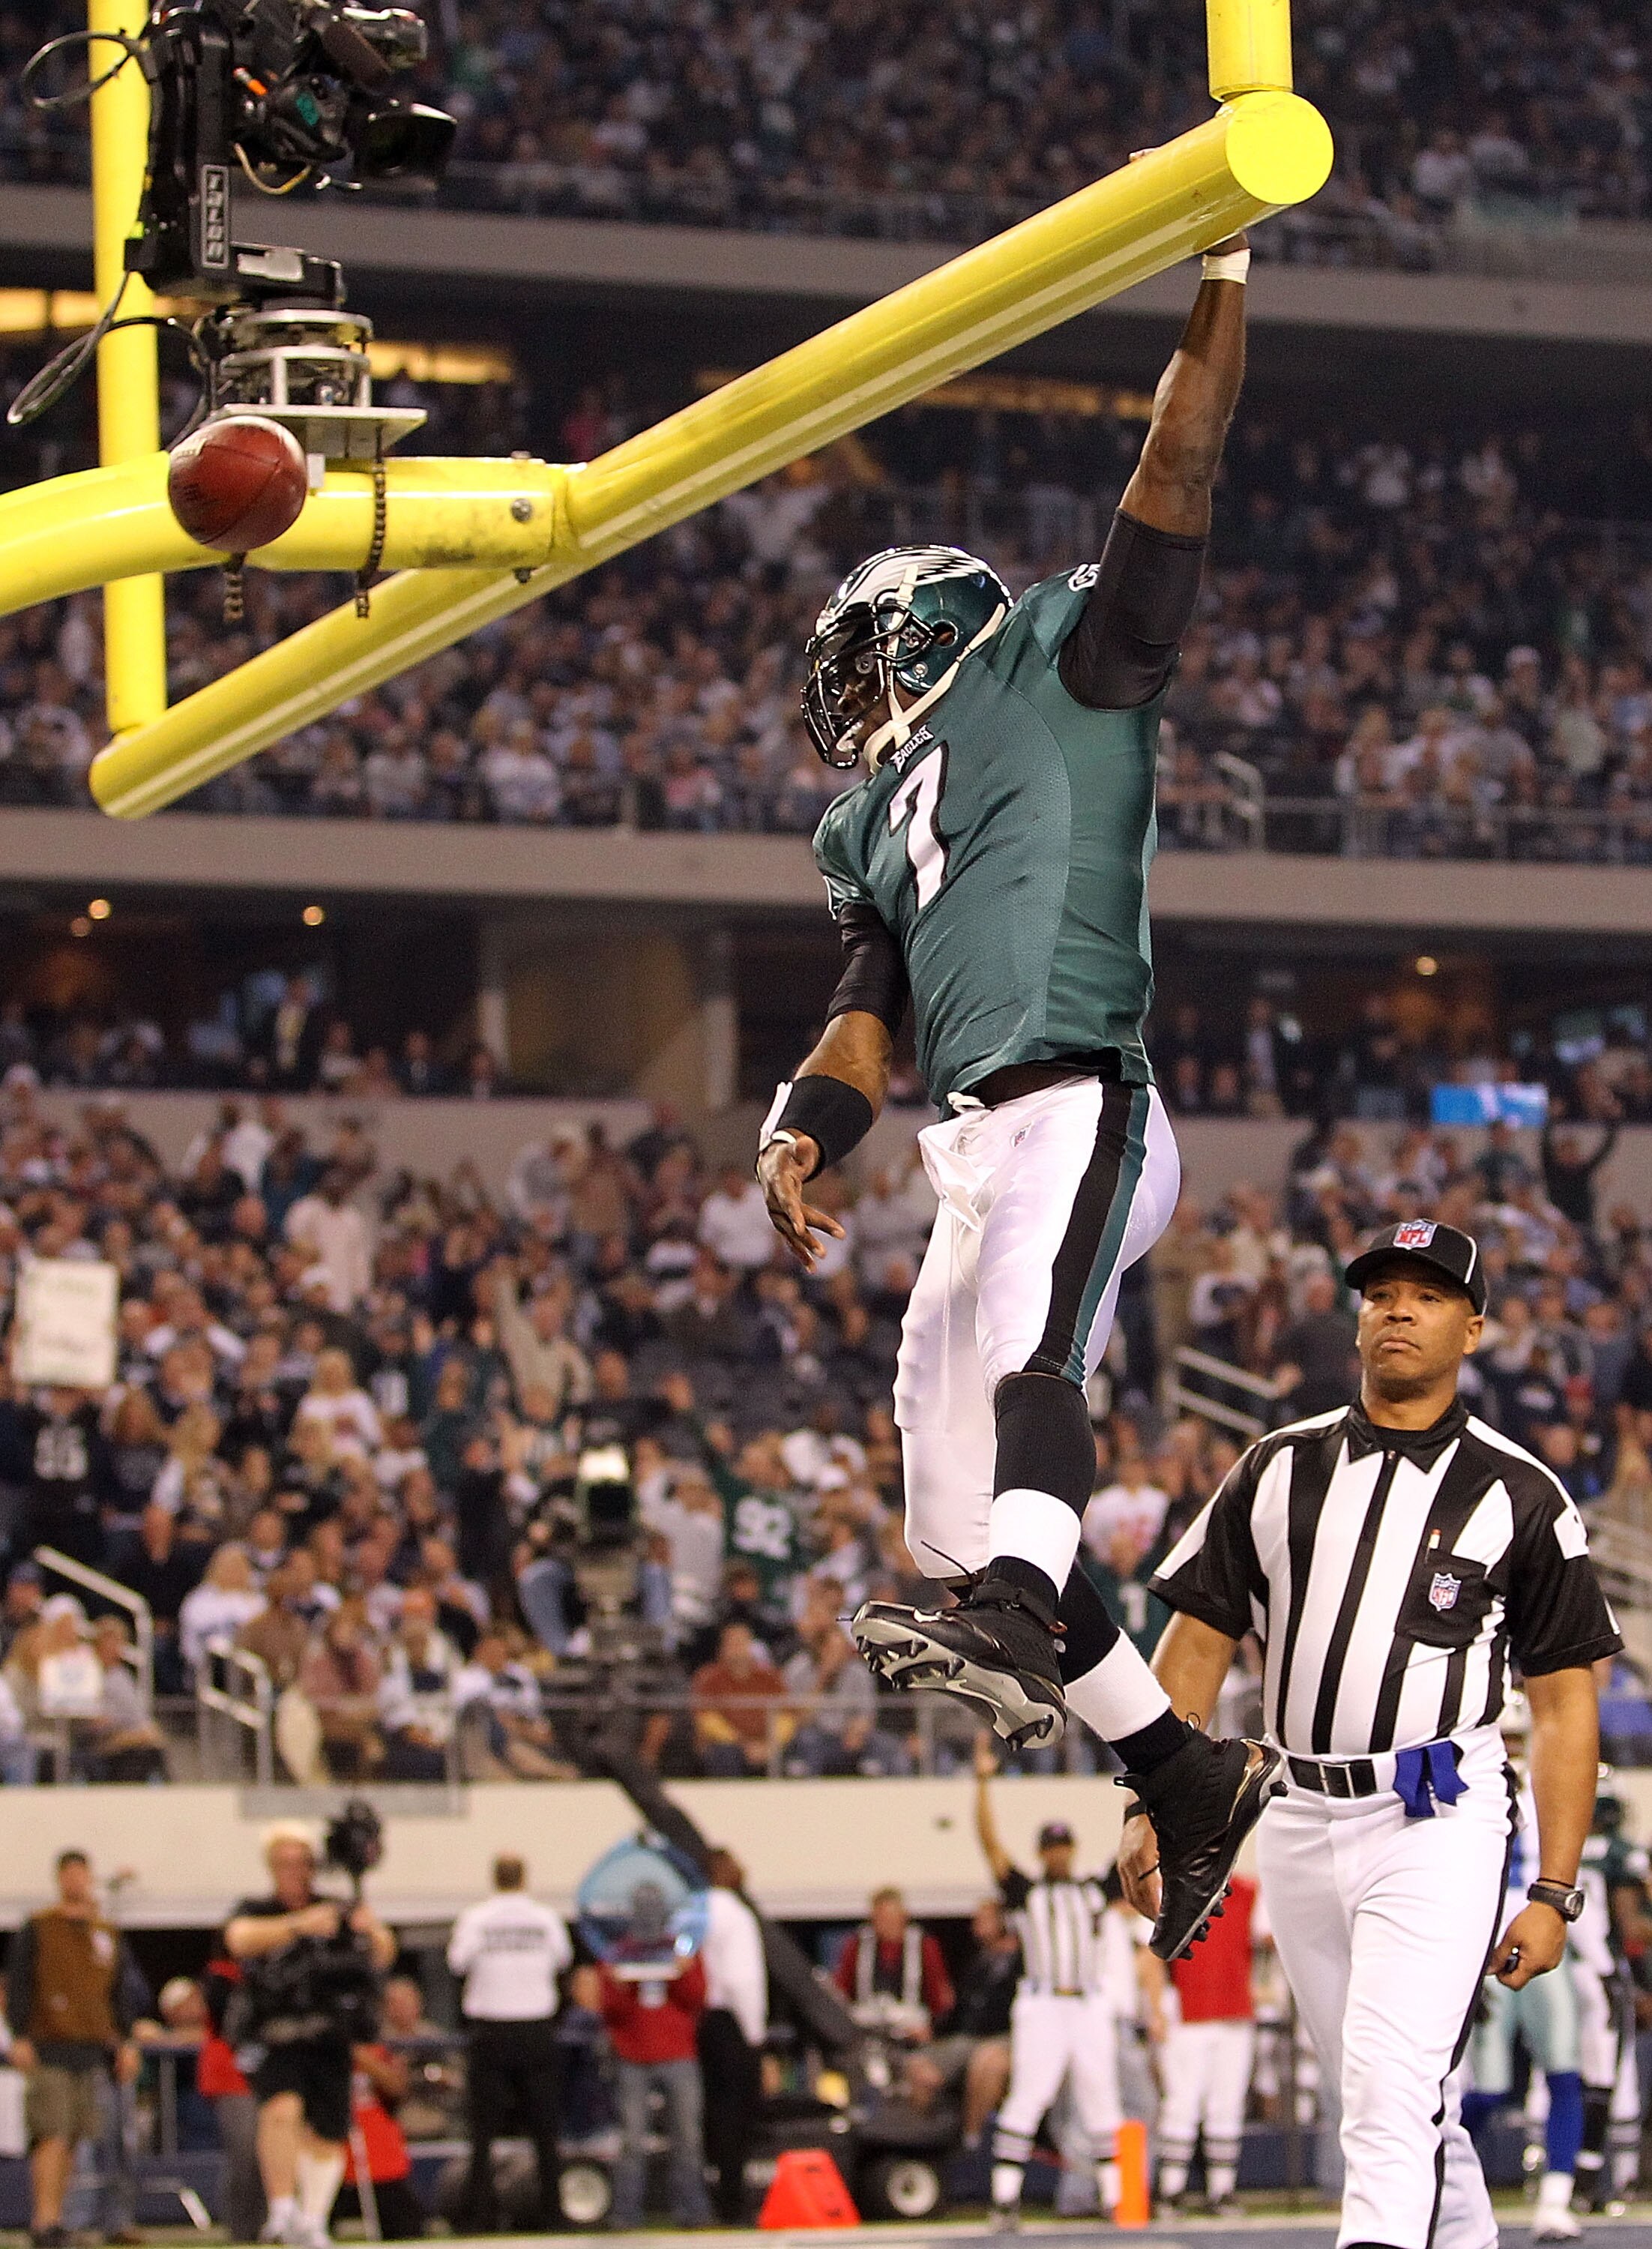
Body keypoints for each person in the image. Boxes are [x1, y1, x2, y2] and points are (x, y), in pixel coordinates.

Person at [757, 229, 1278, 1961]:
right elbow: (862, 1017)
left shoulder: (1054, 666)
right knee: (954, 1501)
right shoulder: (863, 828)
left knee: (1023, 1392)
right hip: (970, 1141)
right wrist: (797, 1131)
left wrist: (1220, 272)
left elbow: (1172, 463)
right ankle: (1181, 1766)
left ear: (919, 629)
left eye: (855, 659)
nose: (839, 704)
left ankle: (1012, 1611)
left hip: (1082, 1092)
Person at [1125, 1218, 1624, 2249]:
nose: (1398, 1309)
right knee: (1394, 2100)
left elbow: (1569, 1701)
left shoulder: (1521, 1492)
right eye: (1381, 1292)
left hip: (1436, 1815)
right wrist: (1148, 1801)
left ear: (1474, 1328)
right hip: (1301, 1812)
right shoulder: (1274, 1465)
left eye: (1429, 1294)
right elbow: (1200, 1638)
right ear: (1355, 1317)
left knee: (1388, 2087)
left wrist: (1555, 1888)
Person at [972, 1742, 1133, 2224]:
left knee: (1101, 2096)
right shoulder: (1028, 1893)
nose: (1059, 1854)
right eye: (1052, 1848)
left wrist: (1143, 1786)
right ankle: (1004, 2201)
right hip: (1043, 2004)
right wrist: (982, 1782)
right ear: (1043, 1853)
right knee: (1029, 2095)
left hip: (1087, 2003)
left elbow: (1131, 1847)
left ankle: (1113, 2199)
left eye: (1064, 1847)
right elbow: (991, 1846)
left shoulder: (1093, 1889)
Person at [223, 1824, 397, 2249]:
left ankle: (312, 2217)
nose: (294, 1871)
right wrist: (300, 1925)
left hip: (329, 2030)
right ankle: (281, 2210)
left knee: (328, 2127)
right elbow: (239, 1939)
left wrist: (367, 1927)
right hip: (277, 2029)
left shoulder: (334, 1907)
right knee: (282, 2110)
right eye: (284, 1863)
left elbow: (381, 1952)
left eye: (301, 1863)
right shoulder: (258, 1908)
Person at [4, 1850, 147, 2249]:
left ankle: (62, 2221)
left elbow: (119, 1995)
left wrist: (126, 2041)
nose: (75, 1881)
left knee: (77, 2137)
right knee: (52, 2131)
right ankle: (46, 2221)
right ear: (59, 1878)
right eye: (68, 1873)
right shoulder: (40, 1927)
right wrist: (19, 2035)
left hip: (94, 2047)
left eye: (81, 1873)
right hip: (50, 2044)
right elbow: (20, 1984)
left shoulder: (104, 1932)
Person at [445, 1854, 572, 2235]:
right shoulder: (545, 1918)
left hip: (492, 2029)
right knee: (545, 2127)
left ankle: (479, 2216)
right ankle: (553, 2213)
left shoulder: (476, 1919)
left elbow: (457, 1962)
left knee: (483, 2130)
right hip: (535, 2028)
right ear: (524, 1878)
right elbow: (562, 1960)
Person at [597, 1885, 713, 2231]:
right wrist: (618, 1986)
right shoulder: (618, 1954)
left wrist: (685, 1969)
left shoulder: (682, 1950)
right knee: (632, 2139)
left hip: (678, 2054)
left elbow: (696, 1999)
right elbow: (611, 2010)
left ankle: (693, 2210)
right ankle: (626, 2213)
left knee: (688, 2137)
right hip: (633, 2056)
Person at [1154, 1873, 1259, 2215]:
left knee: (1226, 2105)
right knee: (1182, 2102)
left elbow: (1273, 1938)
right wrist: (1156, 2008)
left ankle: (1221, 2189)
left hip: (1233, 2012)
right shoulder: (1176, 1885)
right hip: (1190, 2012)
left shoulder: (1247, 1892)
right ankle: (1172, 2189)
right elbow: (1152, 1953)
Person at [696, 1849, 768, 2226]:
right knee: (735, 2116)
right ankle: (732, 2202)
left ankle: (706, 2197)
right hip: (730, 2021)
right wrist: (754, 2035)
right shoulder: (736, 1915)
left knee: (710, 2111)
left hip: (700, 2021)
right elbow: (743, 1979)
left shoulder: (693, 1910)